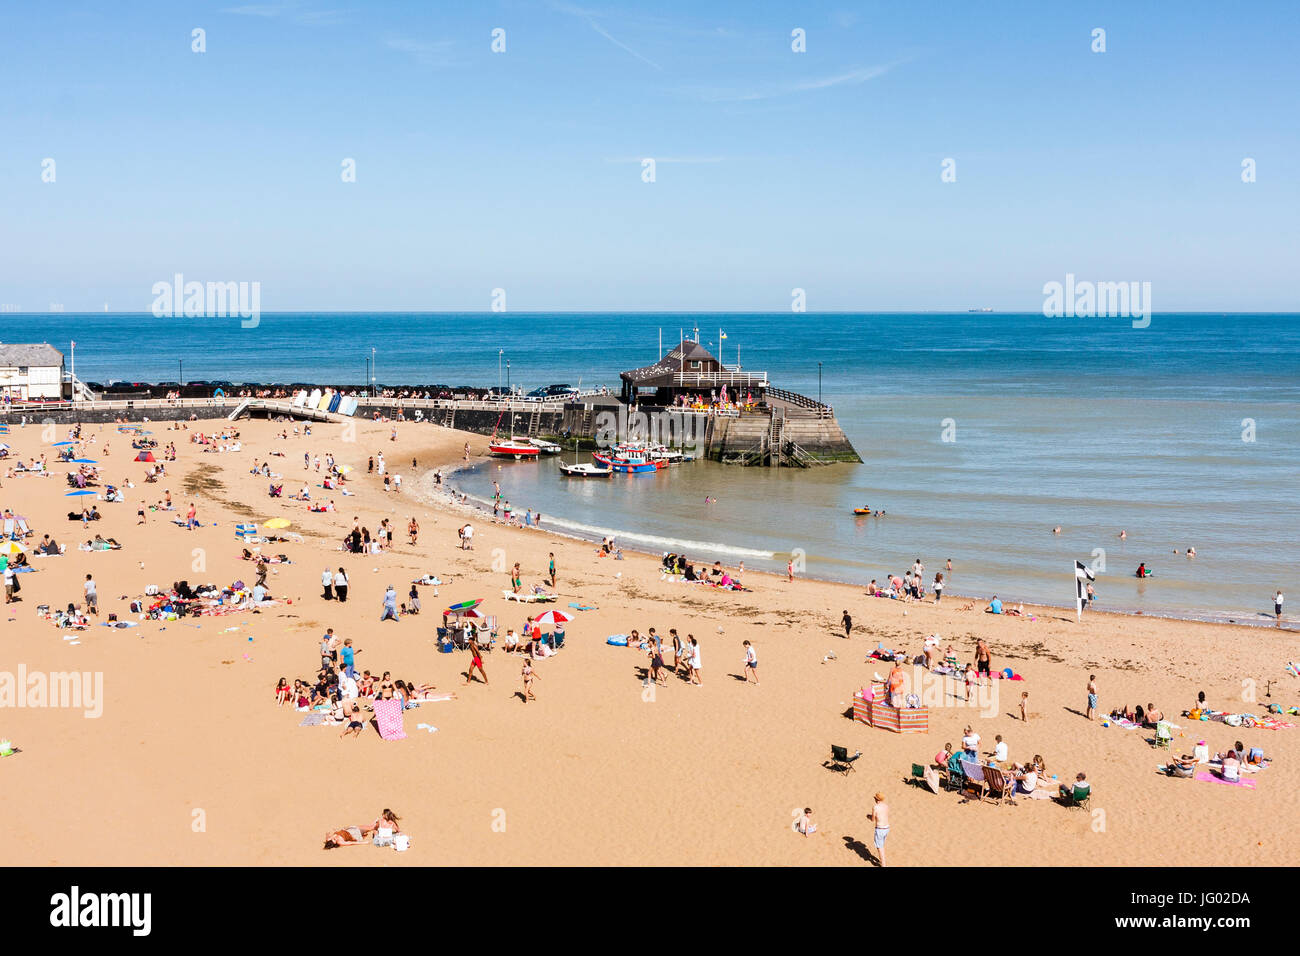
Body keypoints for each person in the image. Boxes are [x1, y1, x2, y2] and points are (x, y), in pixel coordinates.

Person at [869, 793, 889, 867]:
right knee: (882, 845)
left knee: (880, 847)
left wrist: (869, 816)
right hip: (887, 828)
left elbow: (873, 819)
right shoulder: (886, 806)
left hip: (880, 829)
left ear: (876, 799)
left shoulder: (875, 807)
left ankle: (883, 864)